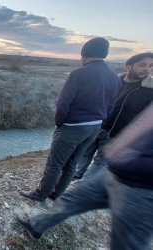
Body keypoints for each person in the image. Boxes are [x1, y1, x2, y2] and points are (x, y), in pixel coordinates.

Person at [16, 102, 153, 250]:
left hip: (143, 189)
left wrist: (129, 157)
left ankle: (38, 216)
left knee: (127, 245)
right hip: (114, 171)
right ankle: (36, 226)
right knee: (72, 198)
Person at [19, 37, 121, 202]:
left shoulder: (78, 74)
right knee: (72, 163)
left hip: (73, 127)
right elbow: (111, 106)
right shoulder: (114, 78)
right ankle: (56, 195)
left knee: (55, 164)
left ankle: (41, 194)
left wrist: (59, 123)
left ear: (83, 54)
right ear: (104, 54)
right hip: (95, 127)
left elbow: (63, 104)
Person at [73, 52, 153, 180]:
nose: (147, 69)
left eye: (151, 66)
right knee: (85, 153)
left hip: (118, 134)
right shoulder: (113, 81)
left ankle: (83, 187)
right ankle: (77, 175)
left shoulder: (150, 90)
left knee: (100, 162)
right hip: (97, 126)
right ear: (129, 67)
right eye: (142, 65)